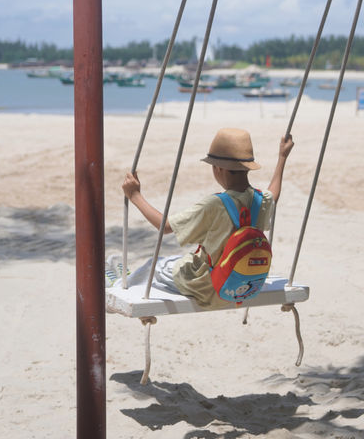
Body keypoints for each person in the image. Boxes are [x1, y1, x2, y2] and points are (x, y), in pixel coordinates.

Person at [114, 127, 294, 308]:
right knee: (169, 263)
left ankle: (119, 283)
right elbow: (274, 193)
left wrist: (135, 195)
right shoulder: (261, 200)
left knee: (156, 265)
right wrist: (282, 158)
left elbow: (165, 226)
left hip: (205, 286)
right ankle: (127, 277)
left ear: (218, 169)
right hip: (240, 285)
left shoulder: (215, 205)